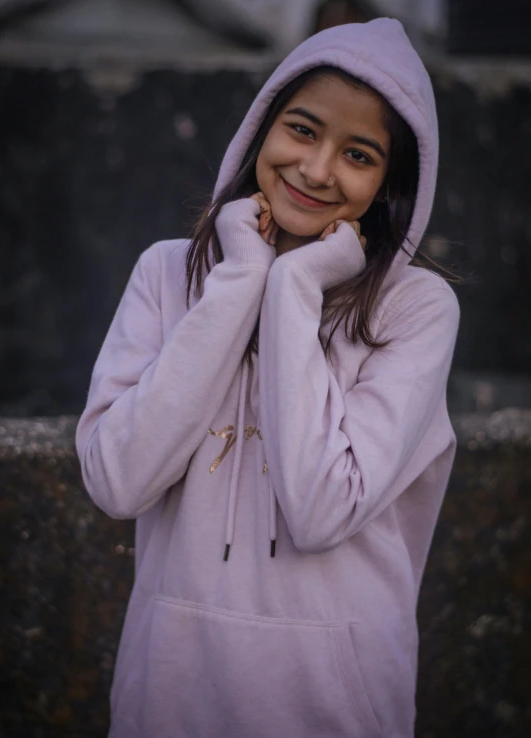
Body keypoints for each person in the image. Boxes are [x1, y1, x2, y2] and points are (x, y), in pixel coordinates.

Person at [76, 17, 460, 738]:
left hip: (336, 708)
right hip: (168, 698)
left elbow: (320, 512)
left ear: (388, 184)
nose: (316, 170)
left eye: (358, 153)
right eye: (303, 129)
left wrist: (292, 289)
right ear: (263, 129)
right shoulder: (168, 274)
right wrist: (240, 281)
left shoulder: (416, 310)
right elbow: (116, 481)